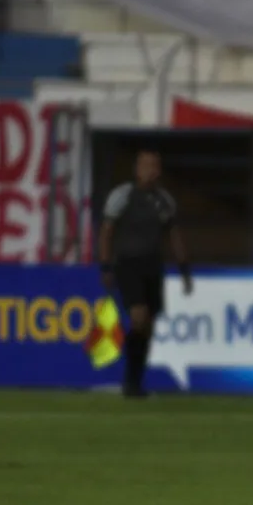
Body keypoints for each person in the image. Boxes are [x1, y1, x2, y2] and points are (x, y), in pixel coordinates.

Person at [98, 150, 193, 398]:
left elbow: (174, 235)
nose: (150, 170)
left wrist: (184, 269)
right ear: (137, 169)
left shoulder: (165, 201)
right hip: (127, 265)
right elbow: (107, 231)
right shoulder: (122, 196)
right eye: (145, 165)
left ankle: (137, 382)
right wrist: (105, 265)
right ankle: (130, 381)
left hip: (153, 266)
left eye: (154, 165)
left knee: (148, 326)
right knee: (138, 316)